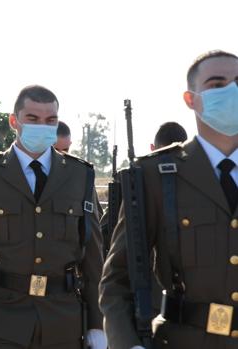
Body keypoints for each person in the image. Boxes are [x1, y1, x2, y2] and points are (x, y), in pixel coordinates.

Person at [0, 85, 107, 349]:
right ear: (14, 121)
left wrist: (97, 322)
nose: (43, 126)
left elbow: (94, 257)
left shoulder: (79, 175)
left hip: (63, 321)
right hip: (1, 318)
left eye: (51, 120)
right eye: (33, 119)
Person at [100, 50, 238, 349]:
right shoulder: (156, 175)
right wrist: (128, 344)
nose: (233, 92)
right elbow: (117, 280)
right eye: (217, 85)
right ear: (191, 99)